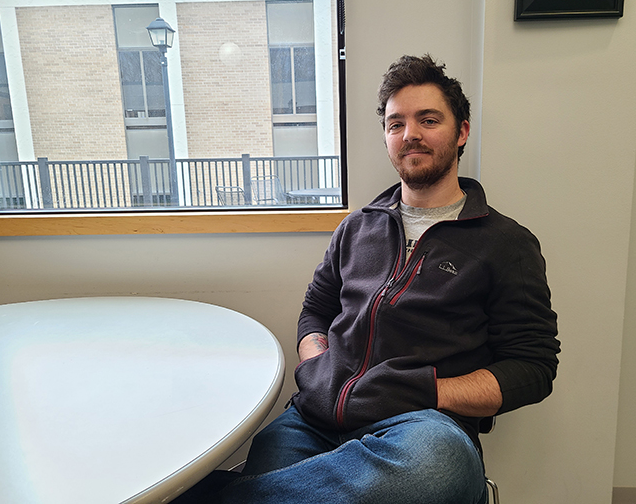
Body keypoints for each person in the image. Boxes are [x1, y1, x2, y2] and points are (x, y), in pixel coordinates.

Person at [175, 54, 560, 504]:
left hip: (420, 427)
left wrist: (431, 390)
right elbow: (316, 311)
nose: (410, 134)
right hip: (316, 418)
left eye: (428, 119)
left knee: (439, 469)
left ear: (462, 132)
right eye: (395, 124)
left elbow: (533, 367)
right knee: (271, 451)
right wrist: (319, 366)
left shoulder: (505, 243)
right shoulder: (356, 227)